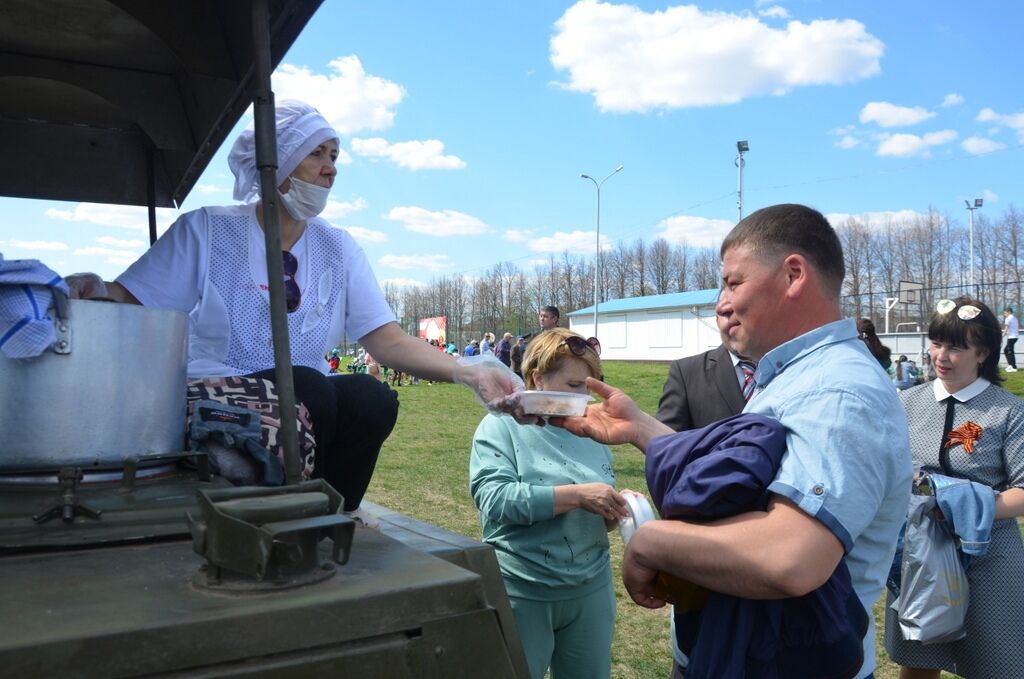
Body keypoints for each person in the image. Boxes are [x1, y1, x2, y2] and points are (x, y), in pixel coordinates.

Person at [65, 100, 523, 526]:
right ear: (276, 163)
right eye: (316, 155)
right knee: (307, 387)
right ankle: (295, 520)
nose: (331, 169)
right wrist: (97, 288)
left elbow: (388, 341)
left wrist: (469, 371)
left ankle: (335, 511)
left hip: (301, 398)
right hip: (212, 397)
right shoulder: (208, 230)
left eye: (335, 156)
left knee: (370, 395)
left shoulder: (338, 248)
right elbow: (131, 298)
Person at [553, 204, 911, 679]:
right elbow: (745, 476)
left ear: (793, 275)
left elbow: (790, 557)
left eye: (733, 282)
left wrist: (651, 542)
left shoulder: (838, 390)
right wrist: (638, 426)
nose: (721, 303)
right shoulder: (799, 374)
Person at [470, 327, 627, 679]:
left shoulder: (590, 430)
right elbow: (494, 499)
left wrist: (613, 513)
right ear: (538, 378)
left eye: (590, 387)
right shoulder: (501, 427)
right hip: (522, 590)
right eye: (574, 387)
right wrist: (578, 496)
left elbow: (596, 505)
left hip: (590, 589)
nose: (585, 399)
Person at [884, 296, 1024, 679]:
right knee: (919, 660)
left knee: (999, 662)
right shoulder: (906, 402)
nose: (940, 356)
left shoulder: (1008, 410)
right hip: (919, 554)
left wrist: (967, 504)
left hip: (990, 555)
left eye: (956, 347)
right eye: (936, 343)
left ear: (982, 352)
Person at [655, 309, 753, 677]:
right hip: (704, 544)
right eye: (723, 312)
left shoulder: (789, 375)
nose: (731, 319)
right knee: (696, 657)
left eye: (740, 311)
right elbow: (666, 457)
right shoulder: (688, 370)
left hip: (773, 540)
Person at [1003, 305, 1018, 372]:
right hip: (1015, 337)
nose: (1004, 314)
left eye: (1005, 313)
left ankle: (1013, 367)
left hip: (1012, 337)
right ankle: (1010, 365)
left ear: (1008, 312)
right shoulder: (1014, 318)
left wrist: (1002, 335)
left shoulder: (1008, 318)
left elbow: (1006, 329)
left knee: (1009, 351)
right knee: (1006, 350)